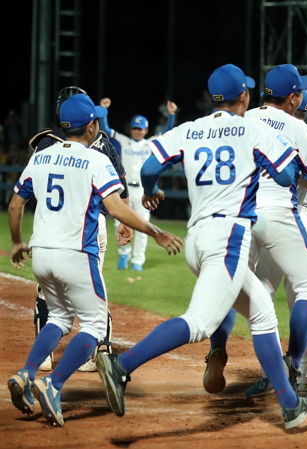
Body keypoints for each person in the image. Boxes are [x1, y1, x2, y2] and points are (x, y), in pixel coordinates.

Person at [95, 64, 307, 430]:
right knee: (200, 321)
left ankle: (291, 404)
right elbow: (284, 176)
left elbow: (150, 167)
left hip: (197, 237)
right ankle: (121, 366)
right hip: (228, 237)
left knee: (263, 314)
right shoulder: (252, 128)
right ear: (244, 96)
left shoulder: (191, 128)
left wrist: (151, 192)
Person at [6, 93, 182, 427]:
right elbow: (116, 208)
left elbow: (15, 205)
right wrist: (155, 232)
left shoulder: (41, 156)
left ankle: (27, 372)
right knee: (94, 326)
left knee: (58, 317)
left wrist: (17, 242)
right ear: (90, 125)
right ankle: (52, 383)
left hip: (41, 254)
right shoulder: (95, 159)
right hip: (77, 254)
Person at [203, 66, 307, 398]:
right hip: (287, 217)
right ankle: (298, 369)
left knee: (243, 290)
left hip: (240, 213)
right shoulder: (300, 129)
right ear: (294, 98)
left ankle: (219, 349)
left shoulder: (243, 119)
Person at [27, 86, 133, 373]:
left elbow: (24, 194)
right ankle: (98, 351)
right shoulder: (101, 141)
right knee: (92, 287)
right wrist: (124, 221)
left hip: (51, 228)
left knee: (47, 293)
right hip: (91, 225)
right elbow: (120, 185)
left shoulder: (45, 144)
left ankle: (45, 356)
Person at [235, 88, 307, 398]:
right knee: (304, 297)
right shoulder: (305, 136)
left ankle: (287, 374)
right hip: (292, 219)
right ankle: (299, 376)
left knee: (261, 295)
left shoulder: (250, 121)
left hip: (262, 215)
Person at [98, 98, 178, 271]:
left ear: (146, 130)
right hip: (124, 190)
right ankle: (123, 254)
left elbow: (166, 133)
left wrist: (171, 115)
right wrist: (104, 111)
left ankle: (137, 261)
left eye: (140, 128)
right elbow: (106, 130)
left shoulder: (150, 143)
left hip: (143, 191)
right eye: (135, 128)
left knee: (143, 225)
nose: (137, 131)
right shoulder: (123, 141)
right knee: (120, 223)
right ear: (131, 129)